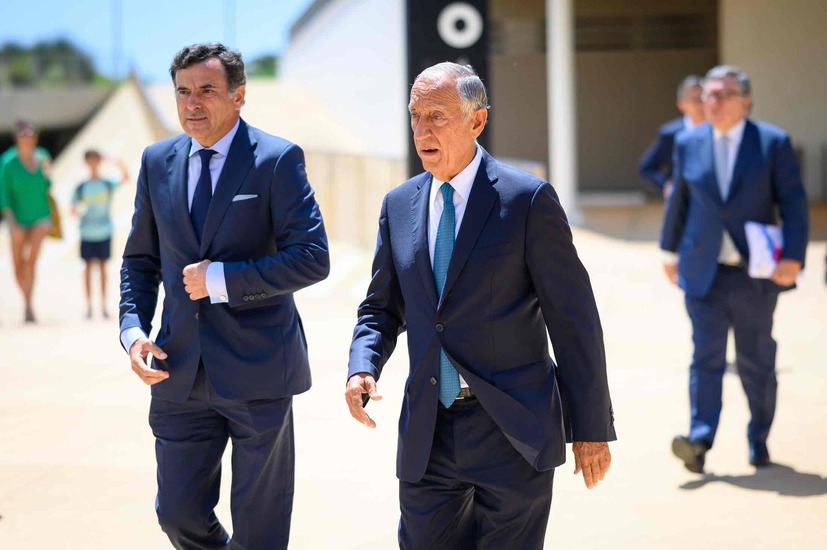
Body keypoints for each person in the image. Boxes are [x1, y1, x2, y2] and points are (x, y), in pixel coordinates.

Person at [345, 62, 615, 549]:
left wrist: (590, 427)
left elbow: (573, 319)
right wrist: (363, 365)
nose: (421, 130)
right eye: (415, 115)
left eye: (437, 116)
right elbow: (381, 308)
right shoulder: (398, 205)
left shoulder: (527, 200)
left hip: (514, 428)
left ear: (477, 120)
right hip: (429, 430)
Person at [118, 43, 329, 549]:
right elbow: (140, 261)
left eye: (207, 90)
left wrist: (222, 280)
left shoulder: (276, 160)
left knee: (259, 532)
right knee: (178, 516)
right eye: (183, 92)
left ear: (238, 95)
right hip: (178, 371)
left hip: (259, 370)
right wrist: (133, 332)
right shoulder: (156, 161)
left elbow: (312, 256)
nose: (192, 103)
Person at [661, 65, 808, 473]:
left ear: (746, 102)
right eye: (709, 94)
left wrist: (793, 257)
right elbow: (679, 201)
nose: (714, 102)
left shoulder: (772, 143)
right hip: (702, 272)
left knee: (755, 362)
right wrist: (669, 252)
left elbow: (793, 203)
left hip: (754, 275)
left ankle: (759, 437)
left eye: (724, 94)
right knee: (705, 357)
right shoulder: (688, 142)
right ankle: (699, 440)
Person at [0, 120, 54, 323]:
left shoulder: (42, 157)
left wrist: (48, 173)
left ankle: (29, 307)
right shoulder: (8, 162)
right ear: (17, 137)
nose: (28, 138)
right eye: (24, 134)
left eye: (31, 134)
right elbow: (3, 193)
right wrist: (11, 221)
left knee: (31, 262)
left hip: (40, 215)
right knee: (17, 265)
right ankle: (27, 301)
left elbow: (47, 186)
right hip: (17, 218)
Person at [71, 150, 129, 319]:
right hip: (87, 232)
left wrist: (116, 161)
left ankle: (103, 306)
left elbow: (125, 178)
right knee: (88, 269)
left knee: (104, 269)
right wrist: (77, 211)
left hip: (104, 231)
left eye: (95, 160)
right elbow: (73, 207)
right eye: (90, 160)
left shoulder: (106, 183)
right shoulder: (81, 186)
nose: (93, 164)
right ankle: (89, 306)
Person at [638, 75, 705, 198]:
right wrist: (666, 185)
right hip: (683, 199)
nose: (701, 105)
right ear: (681, 104)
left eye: (704, 99)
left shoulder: (718, 130)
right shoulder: (671, 134)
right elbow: (646, 168)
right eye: (695, 100)